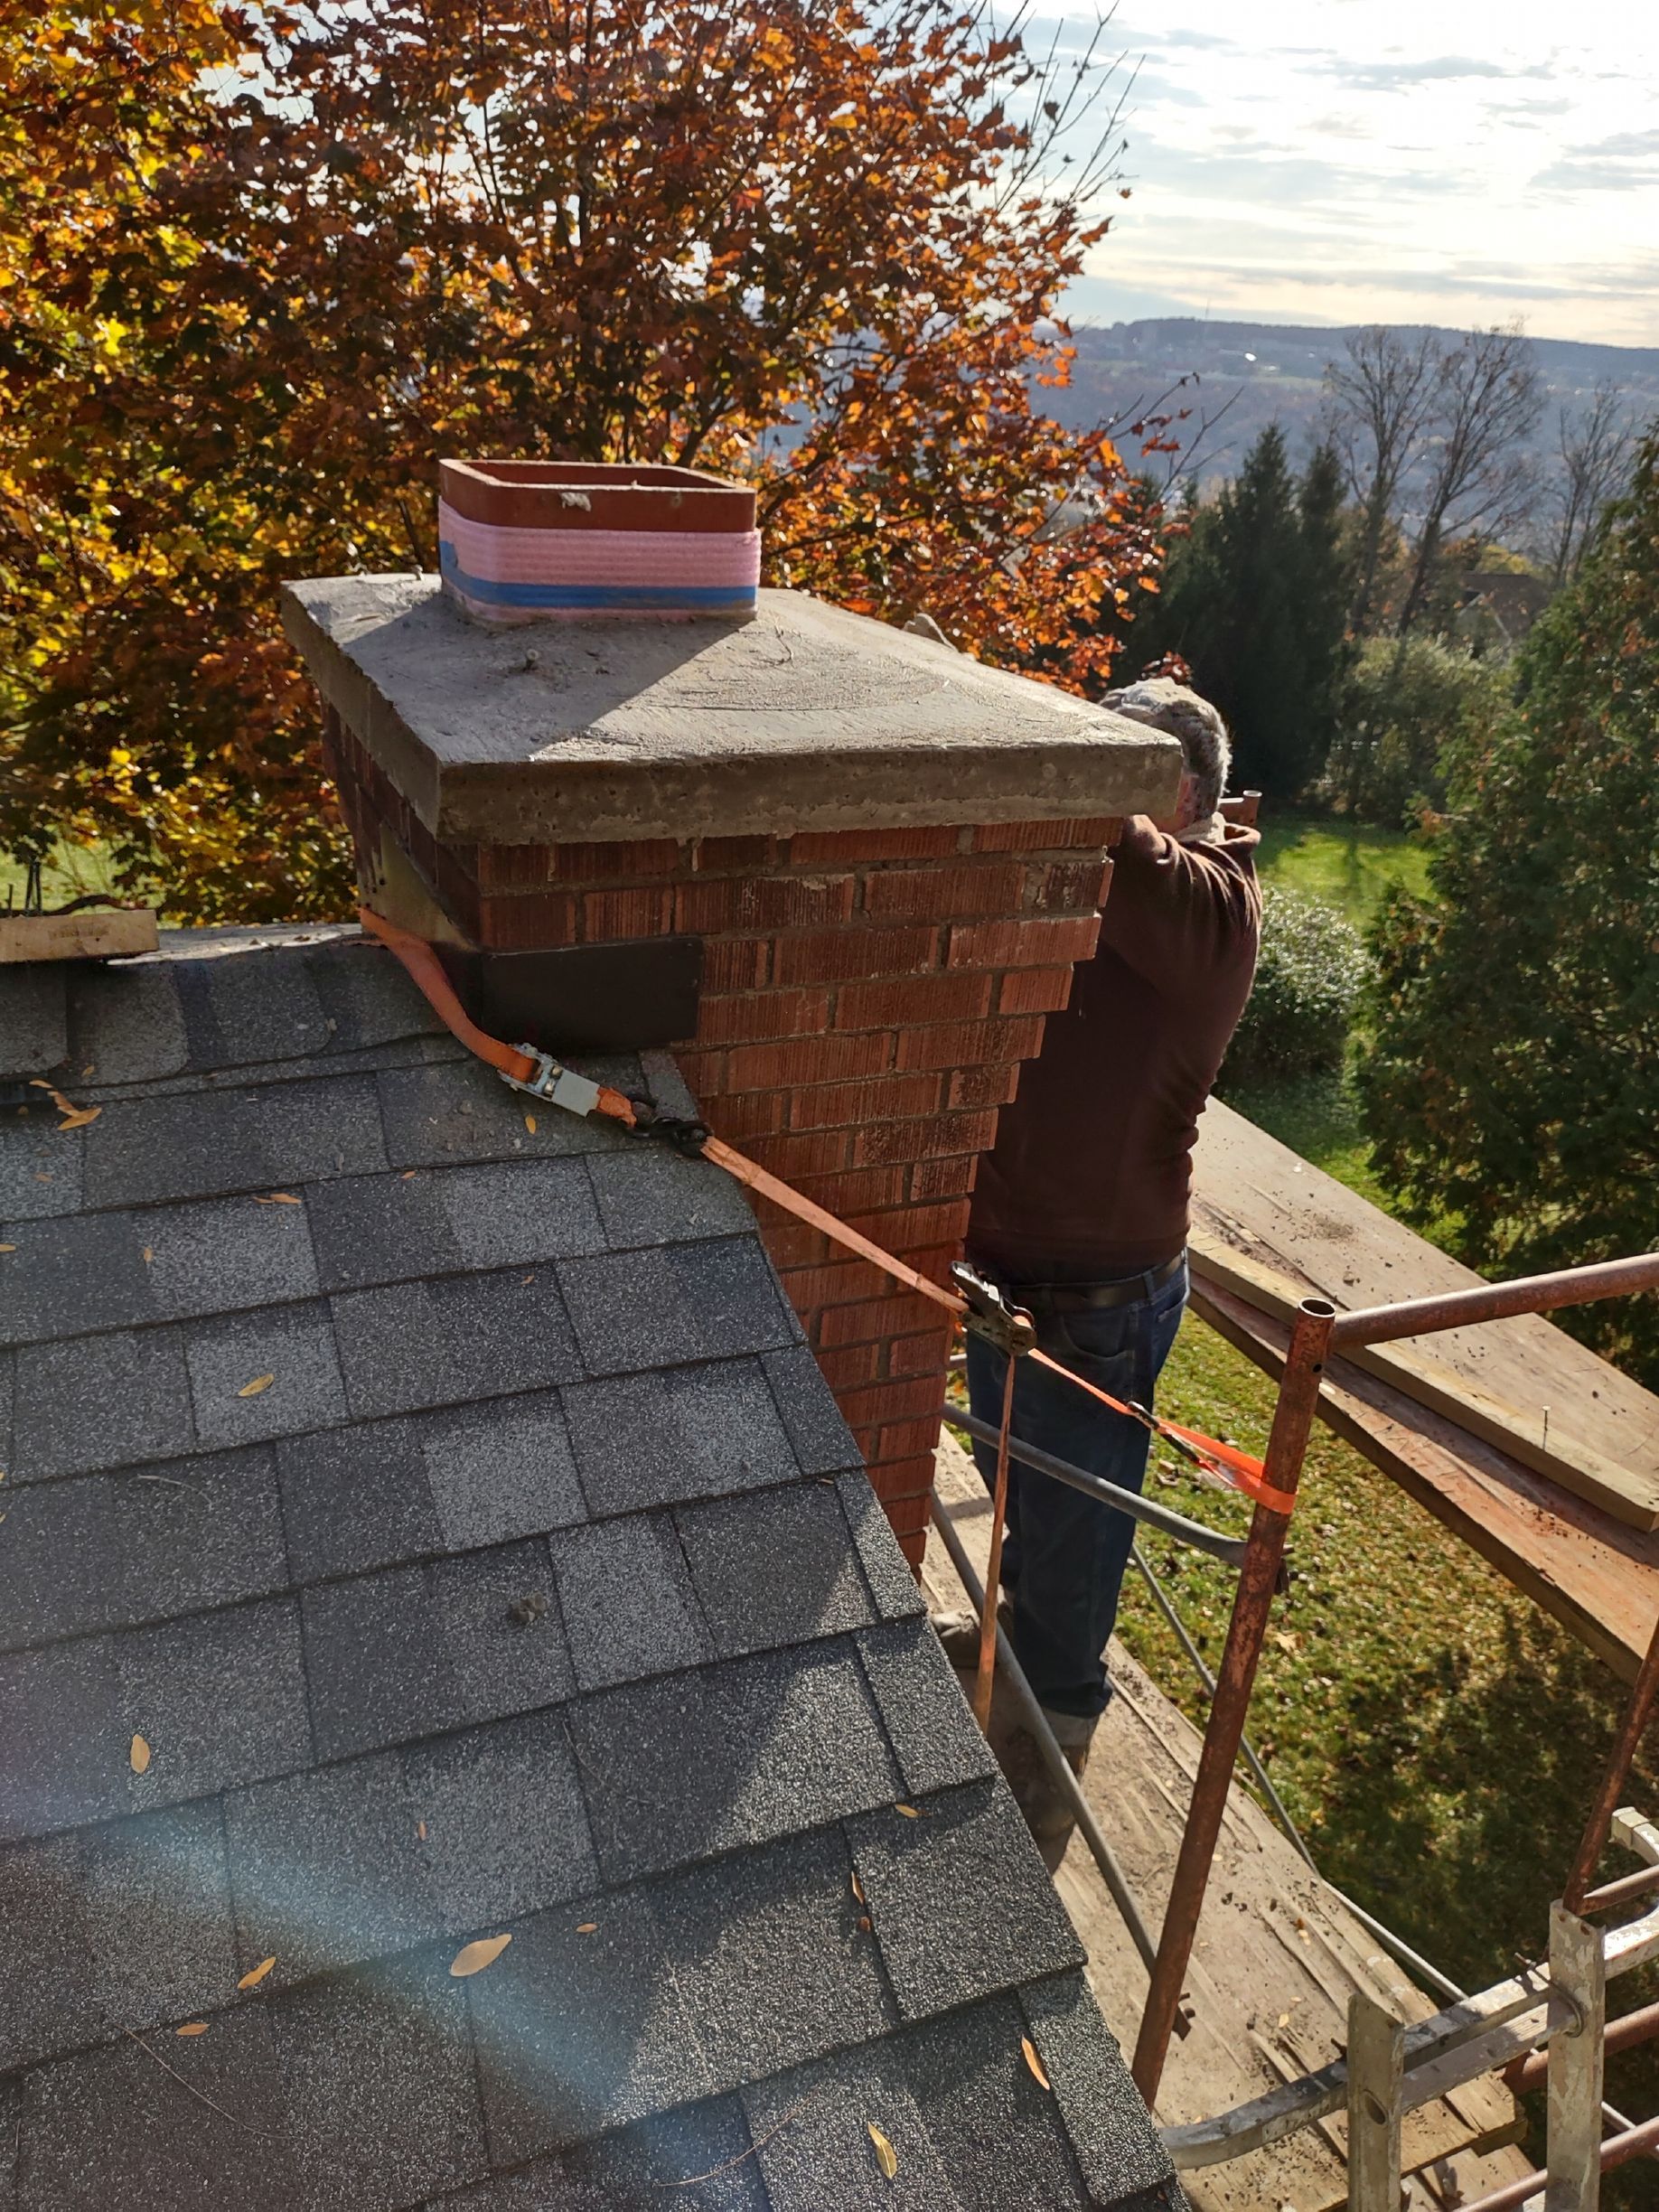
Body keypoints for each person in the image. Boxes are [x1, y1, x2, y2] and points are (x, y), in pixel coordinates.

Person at [945, 678, 1262, 1838]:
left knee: (1079, 1535)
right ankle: (1013, 1650)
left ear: (1175, 791)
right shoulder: (1132, 881)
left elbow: (1105, 829)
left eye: (1110, 760)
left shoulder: (1211, 907)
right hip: (1014, 1275)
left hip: (1099, 1296)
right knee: (1025, 1495)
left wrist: (991, 699)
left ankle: (1050, 1742)